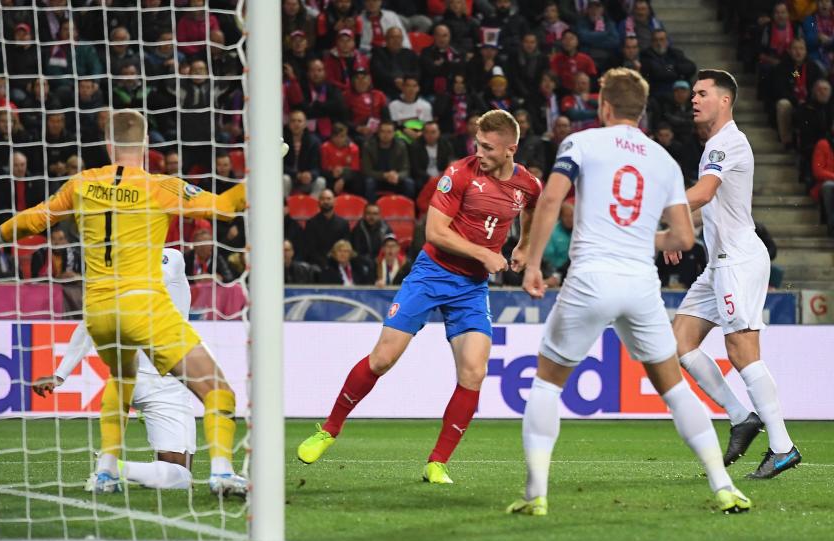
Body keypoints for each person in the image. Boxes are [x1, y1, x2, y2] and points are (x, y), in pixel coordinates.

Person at [0, 110, 251, 495]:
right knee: (219, 391)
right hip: (143, 308)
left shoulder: (82, 183)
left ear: (107, 144)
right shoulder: (160, 186)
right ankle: (221, 473)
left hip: (99, 312)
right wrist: (262, 173)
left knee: (122, 380)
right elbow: (226, 206)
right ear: (147, 144)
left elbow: (35, 220)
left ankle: (106, 470)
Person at [511, 68, 750, 517]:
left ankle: (535, 494)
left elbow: (549, 200)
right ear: (641, 113)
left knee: (546, 384)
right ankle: (723, 486)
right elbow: (681, 238)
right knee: (676, 391)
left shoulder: (581, 143)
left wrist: (535, 264)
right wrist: (645, 239)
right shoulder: (662, 159)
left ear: (603, 106)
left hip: (591, 278)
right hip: (640, 284)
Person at [296, 110, 541, 485]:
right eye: (477, 143)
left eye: (488, 147)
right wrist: (486, 254)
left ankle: (437, 462)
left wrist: (523, 246)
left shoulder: (527, 185)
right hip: (432, 274)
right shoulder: (459, 174)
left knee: (474, 372)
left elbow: (534, 211)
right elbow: (436, 232)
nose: (479, 151)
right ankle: (328, 430)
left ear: (512, 148)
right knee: (383, 359)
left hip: (472, 288)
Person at [665, 70, 801, 479]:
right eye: (693, 94)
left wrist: (660, 210)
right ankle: (742, 417)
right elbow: (709, 205)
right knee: (681, 341)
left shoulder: (729, 142)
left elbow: (703, 193)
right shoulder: (714, 146)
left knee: (742, 352)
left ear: (724, 100)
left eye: (702, 93)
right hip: (718, 262)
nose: (694, 99)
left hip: (737, 259)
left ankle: (782, 447)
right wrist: (676, 229)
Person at [33, 248, 248, 495]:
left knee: (174, 468)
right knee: (181, 472)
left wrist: (61, 374)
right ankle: (222, 473)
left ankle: (111, 468)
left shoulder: (119, 268)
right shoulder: (169, 255)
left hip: (127, 376)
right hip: (167, 375)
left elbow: (91, 321)